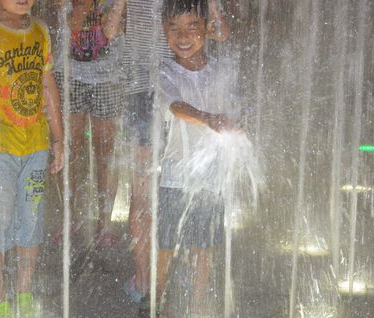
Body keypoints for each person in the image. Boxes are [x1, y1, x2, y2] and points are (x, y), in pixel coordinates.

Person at [103, 0, 228, 315]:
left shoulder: (191, 15)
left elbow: (221, 33)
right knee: (144, 191)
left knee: (185, 184)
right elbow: (108, 30)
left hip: (186, 88)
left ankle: (183, 280)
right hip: (147, 91)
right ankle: (148, 281)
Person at [0, 0, 64, 316]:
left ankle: (25, 294)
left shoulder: (39, 30)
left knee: (31, 223)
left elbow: (48, 86)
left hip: (35, 148)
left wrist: (59, 139)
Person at [156, 0, 238, 316]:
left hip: (211, 175)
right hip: (175, 175)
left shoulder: (221, 71)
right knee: (166, 244)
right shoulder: (165, 70)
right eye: (174, 28)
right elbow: (176, 106)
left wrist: (236, 128)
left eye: (192, 26)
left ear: (206, 28)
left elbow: (233, 112)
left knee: (203, 246)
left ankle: (198, 303)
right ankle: (158, 298)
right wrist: (209, 119)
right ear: (164, 32)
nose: (183, 35)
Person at [53, 0, 125, 248]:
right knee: (69, 149)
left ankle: (105, 224)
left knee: (106, 151)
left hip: (109, 76)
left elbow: (113, 30)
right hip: (69, 73)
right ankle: (69, 219)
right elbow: (69, 21)